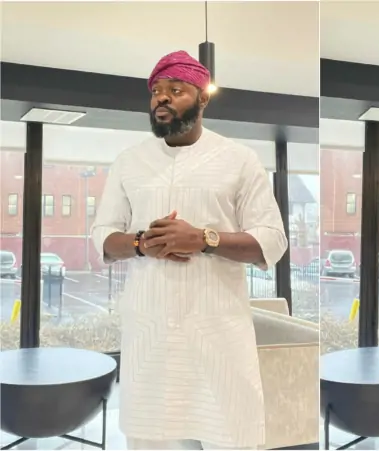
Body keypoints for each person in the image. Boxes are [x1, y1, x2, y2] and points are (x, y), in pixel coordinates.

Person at [91, 50, 288, 450]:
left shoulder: (239, 160)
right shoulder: (129, 162)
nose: (161, 98)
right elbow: (103, 236)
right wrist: (141, 243)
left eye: (175, 90)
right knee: (151, 440)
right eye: (156, 91)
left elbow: (272, 240)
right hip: (150, 339)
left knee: (230, 436)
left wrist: (204, 239)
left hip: (218, 336)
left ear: (203, 98)